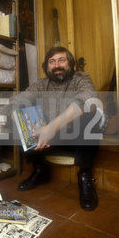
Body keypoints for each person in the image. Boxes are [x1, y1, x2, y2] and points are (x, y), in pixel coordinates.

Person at [8, 46, 104, 211]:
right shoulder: (41, 84)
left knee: (92, 114)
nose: (57, 65)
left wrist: (52, 127)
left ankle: (85, 175)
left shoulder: (81, 78)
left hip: (77, 139)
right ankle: (40, 170)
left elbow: (87, 99)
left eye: (62, 60)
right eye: (52, 62)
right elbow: (18, 100)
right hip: (49, 140)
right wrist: (18, 116)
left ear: (70, 63)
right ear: (47, 66)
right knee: (20, 115)